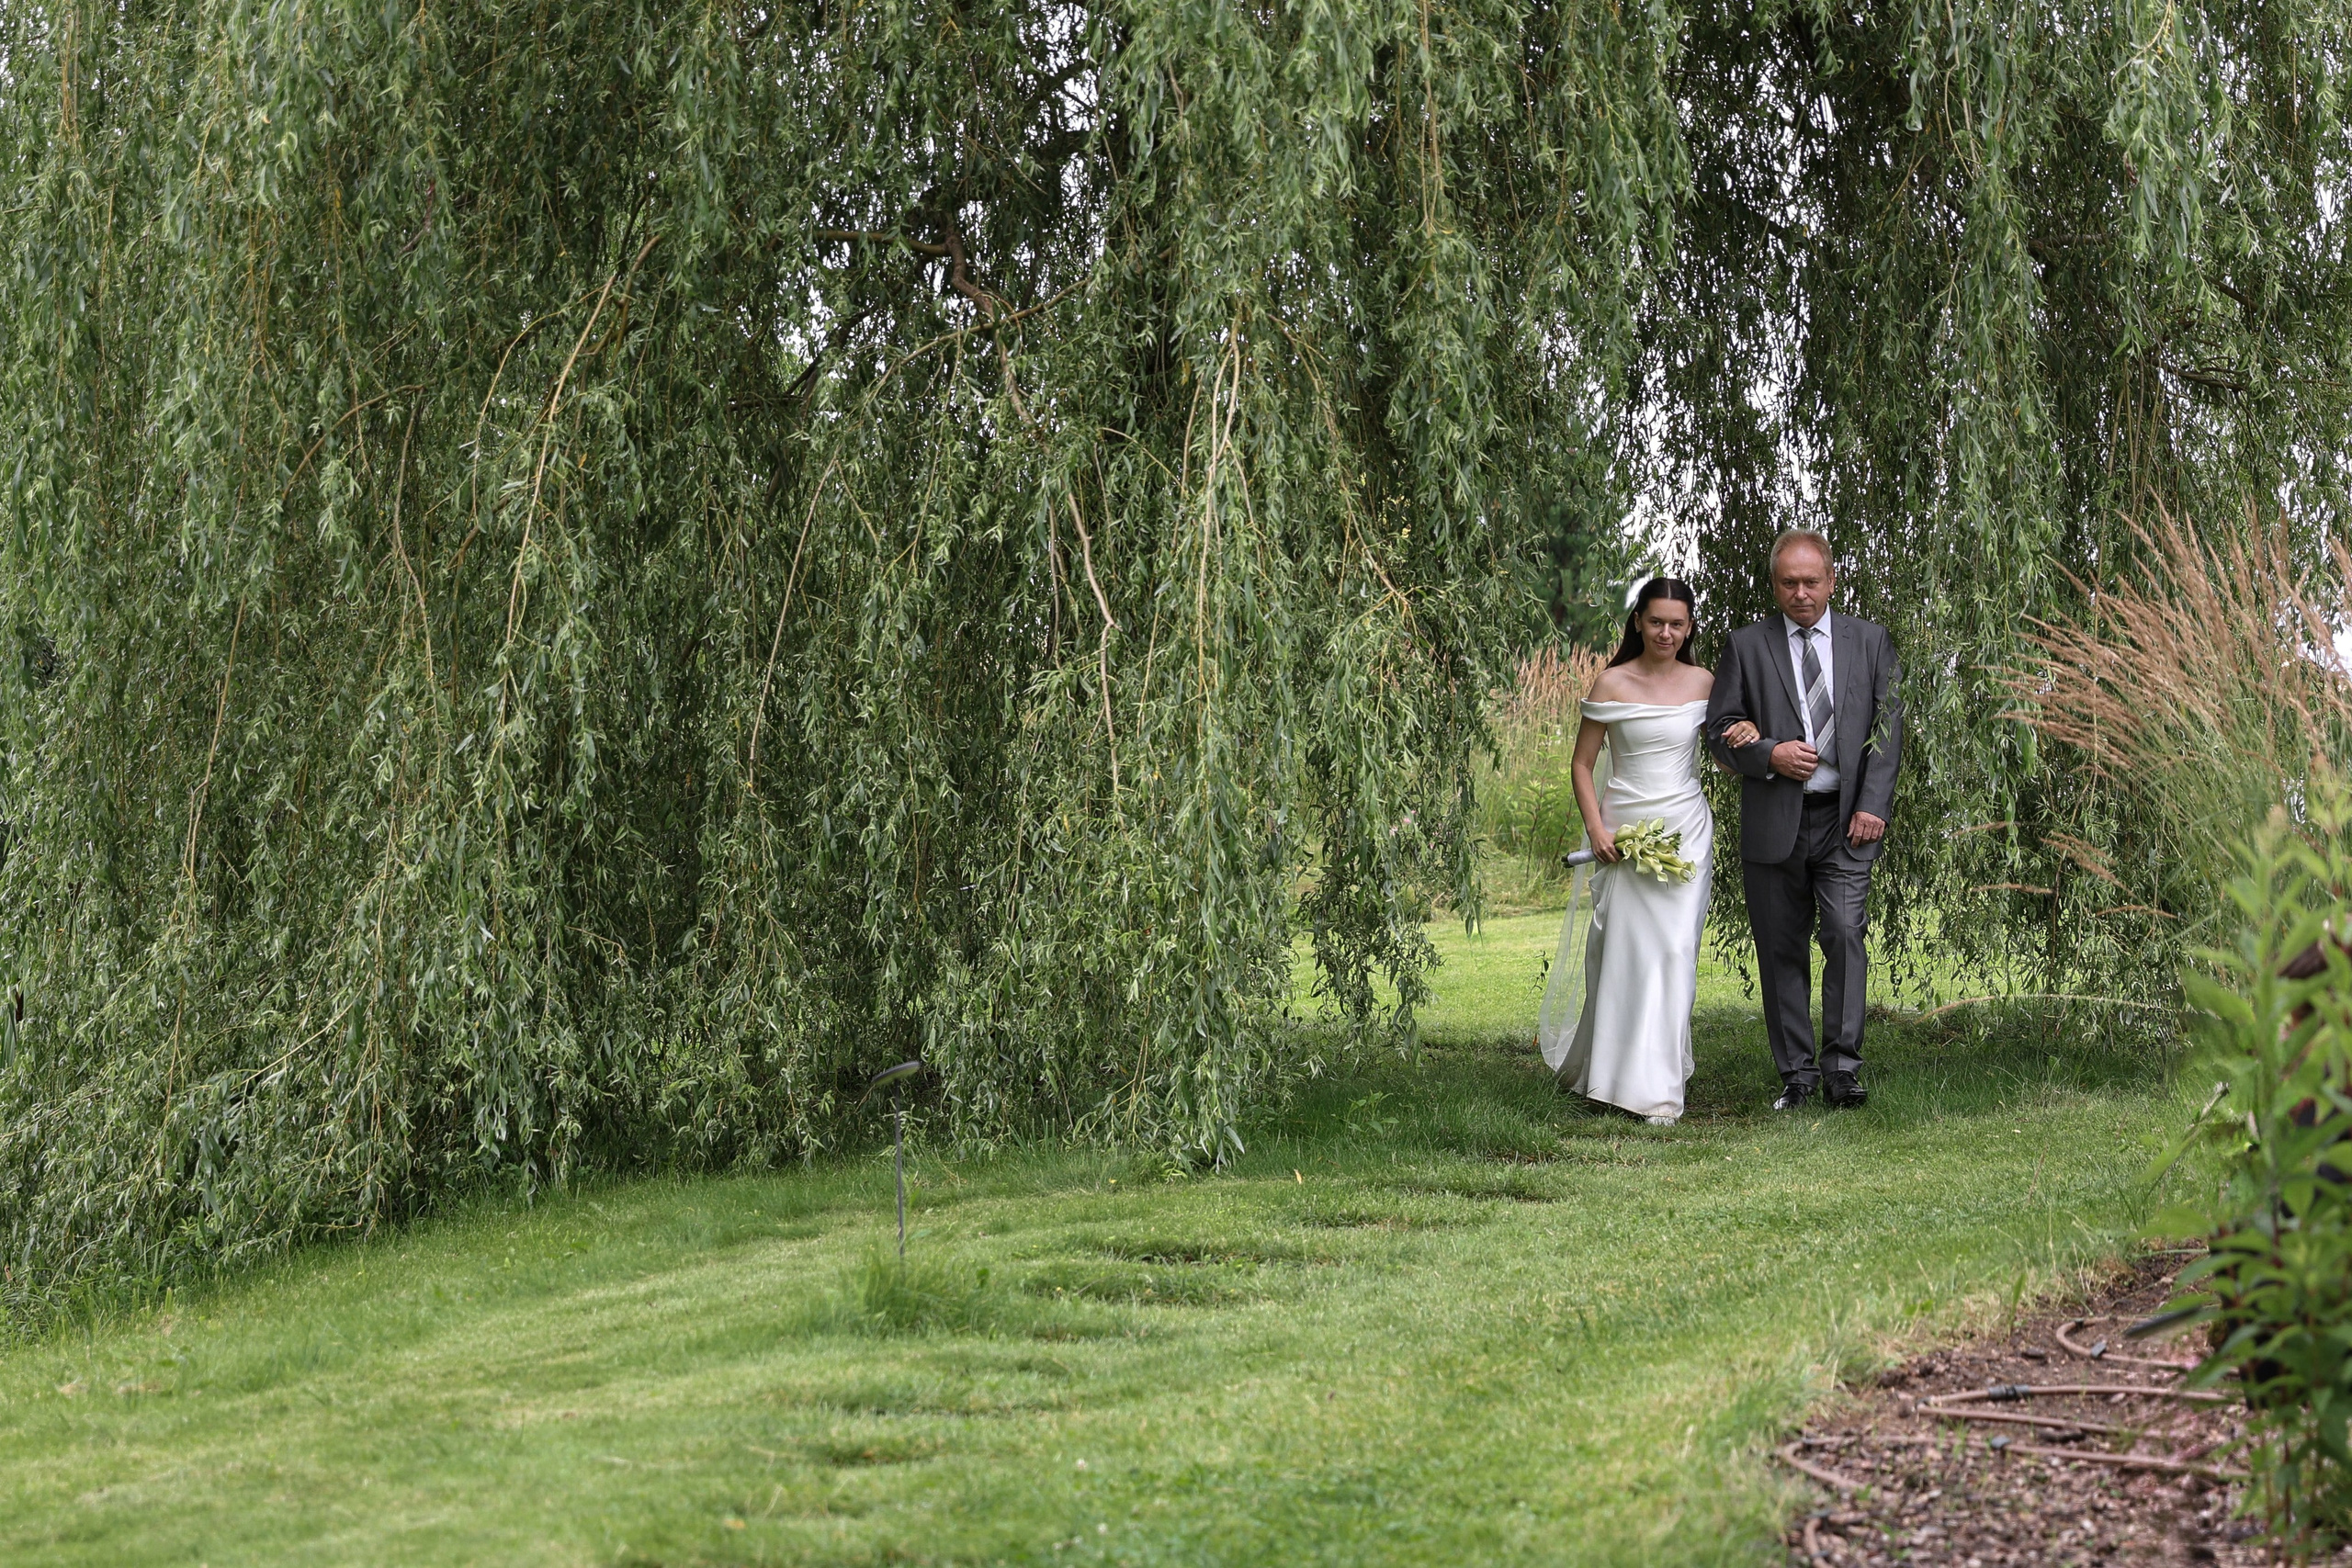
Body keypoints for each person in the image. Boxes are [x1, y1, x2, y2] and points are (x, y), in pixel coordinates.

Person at [1704, 529, 1903, 1111]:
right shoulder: (1746, 646)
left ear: (1832, 580)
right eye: (1788, 583)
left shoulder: (1869, 642)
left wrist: (1872, 804)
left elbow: (1887, 734)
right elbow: (1718, 733)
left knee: (1844, 935)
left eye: (1811, 581)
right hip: (1775, 820)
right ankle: (1797, 1074)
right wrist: (1768, 753)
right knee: (1780, 946)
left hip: (1846, 821)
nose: (1800, 593)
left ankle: (1843, 1069)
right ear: (1774, 585)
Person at [1535, 578, 1715, 1124]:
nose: (1666, 632)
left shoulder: (1706, 680)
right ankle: (1609, 1077)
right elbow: (1582, 764)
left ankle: (1657, 1090)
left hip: (1685, 831)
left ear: (1689, 628)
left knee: (1673, 955)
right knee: (1616, 953)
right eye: (1656, 621)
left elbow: (1730, 746)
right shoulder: (1611, 683)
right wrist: (1596, 830)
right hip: (1624, 832)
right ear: (1638, 621)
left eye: (1677, 624)